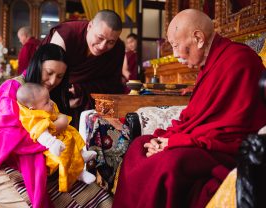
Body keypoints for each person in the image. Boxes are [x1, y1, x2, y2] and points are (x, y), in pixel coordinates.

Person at [113, 9, 266, 208]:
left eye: (176, 46)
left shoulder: (240, 60)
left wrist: (174, 142)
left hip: (225, 147)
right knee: (140, 145)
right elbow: (194, 116)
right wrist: (166, 139)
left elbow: (233, 127)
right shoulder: (210, 64)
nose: (175, 55)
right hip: (203, 139)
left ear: (198, 38)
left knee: (170, 164)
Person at [0, 43, 113, 208]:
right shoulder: (12, 89)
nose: (52, 81)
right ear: (37, 66)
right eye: (49, 73)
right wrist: (57, 126)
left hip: (45, 167)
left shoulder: (48, 94)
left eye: (59, 77)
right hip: (7, 169)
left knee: (98, 197)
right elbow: (10, 138)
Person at [42, 9, 125, 128]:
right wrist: (63, 103)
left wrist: (81, 90)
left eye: (111, 42)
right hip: (54, 102)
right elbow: (47, 78)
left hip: (87, 107)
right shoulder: (67, 34)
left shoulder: (118, 48)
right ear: (90, 26)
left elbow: (113, 85)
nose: (102, 46)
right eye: (100, 38)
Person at [16, 83, 97, 192]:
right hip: (54, 145)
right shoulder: (33, 118)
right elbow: (41, 134)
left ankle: (82, 154)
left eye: (49, 99)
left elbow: (56, 115)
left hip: (60, 134)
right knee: (66, 155)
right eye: (46, 102)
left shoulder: (42, 107)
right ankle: (79, 173)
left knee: (73, 134)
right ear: (33, 108)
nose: (51, 103)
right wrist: (53, 143)